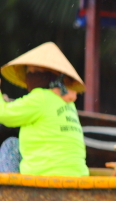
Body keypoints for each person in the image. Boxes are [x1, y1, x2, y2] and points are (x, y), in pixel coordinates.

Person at [0, 42, 88, 176]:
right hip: (78, 175)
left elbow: (4, 114)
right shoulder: (68, 103)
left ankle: (6, 194)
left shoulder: (40, 98)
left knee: (11, 145)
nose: (29, 76)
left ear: (43, 75)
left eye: (30, 71)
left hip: (45, 176)